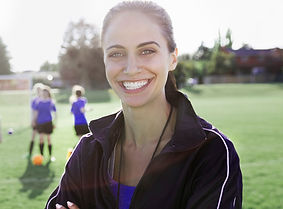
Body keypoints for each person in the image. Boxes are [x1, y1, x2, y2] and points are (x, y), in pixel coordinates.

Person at [46, 1, 242, 209]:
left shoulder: (211, 152)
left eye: (147, 50)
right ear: (105, 61)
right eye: (116, 53)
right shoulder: (89, 150)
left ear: (172, 58)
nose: (131, 68)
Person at [33, 85, 57, 162]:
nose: (44, 94)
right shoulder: (38, 102)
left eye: (46, 93)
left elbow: (55, 113)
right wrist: (34, 121)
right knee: (41, 139)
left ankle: (50, 156)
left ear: (48, 93)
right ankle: (41, 156)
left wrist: (54, 122)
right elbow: (36, 113)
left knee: (49, 139)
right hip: (40, 123)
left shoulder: (51, 102)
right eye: (43, 93)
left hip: (48, 123)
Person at [28, 83, 43, 157]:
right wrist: (33, 120)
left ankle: (41, 154)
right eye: (37, 90)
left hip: (42, 122)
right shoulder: (34, 100)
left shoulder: (44, 99)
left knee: (41, 138)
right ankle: (29, 153)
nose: (38, 91)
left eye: (39, 90)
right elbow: (33, 111)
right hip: (36, 121)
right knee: (33, 137)